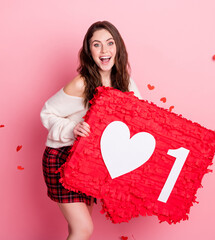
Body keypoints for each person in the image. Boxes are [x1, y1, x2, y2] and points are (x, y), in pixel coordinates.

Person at [40, 21, 141, 240]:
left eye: (109, 43)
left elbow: (141, 121)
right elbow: (47, 114)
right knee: (83, 229)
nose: (104, 50)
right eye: (97, 45)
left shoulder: (127, 84)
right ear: (89, 51)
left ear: (118, 48)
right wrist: (72, 128)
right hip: (62, 159)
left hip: (89, 162)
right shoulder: (81, 84)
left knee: (77, 230)